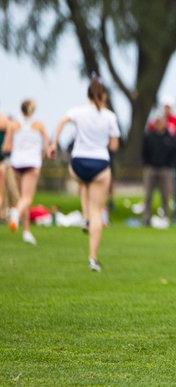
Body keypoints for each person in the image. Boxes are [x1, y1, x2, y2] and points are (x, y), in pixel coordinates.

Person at [49, 77, 120, 271]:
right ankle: (93, 258)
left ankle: (85, 216)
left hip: (78, 163)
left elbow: (61, 121)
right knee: (98, 210)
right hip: (100, 164)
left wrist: (53, 144)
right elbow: (114, 145)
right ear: (104, 95)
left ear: (87, 94)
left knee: (83, 182)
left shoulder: (78, 112)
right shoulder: (109, 117)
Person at [3, 99, 49, 245]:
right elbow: (47, 146)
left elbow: (6, 147)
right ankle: (15, 213)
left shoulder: (13, 124)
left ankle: (26, 231)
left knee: (21, 199)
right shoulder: (39, 124)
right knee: (27, 198)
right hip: (32, 163)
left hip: (17, 163)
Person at [141, 113, 176, 225]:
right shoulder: (149, 137)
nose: (159, 124)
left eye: (161, 122)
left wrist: (168, 164)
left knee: (165, 194)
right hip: (151, 167)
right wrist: (147, 164)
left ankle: (165, 217)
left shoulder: (169, 138)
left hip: (164, 168)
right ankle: (147, 217)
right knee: (148, 194)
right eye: (157, 122)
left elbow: (172, 153)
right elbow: (144, 152)